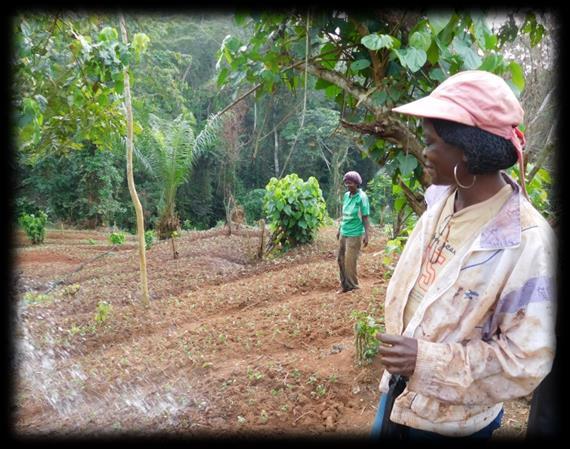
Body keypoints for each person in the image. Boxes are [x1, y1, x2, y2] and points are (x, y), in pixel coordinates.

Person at [369, 70, 557, 440]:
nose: (423, 151)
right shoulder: (442, 200)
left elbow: (525, 360)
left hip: (452, 426)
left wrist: (425, 362)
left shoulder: (528, 242)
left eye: (431, 141)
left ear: (468, 154)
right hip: (398, 394)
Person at [336, 171, 371, 294]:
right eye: (346, 183)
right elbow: (344, 214)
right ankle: (344, 286)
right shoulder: (346, 196)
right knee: (340, 259)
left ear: (357, 183)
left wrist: (367, 235)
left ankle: (354, 287)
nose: (348, 186)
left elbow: (365, 217)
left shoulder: (362, 198)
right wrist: (339, 228)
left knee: (350, 261)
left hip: (355, 233)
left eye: (350, 183)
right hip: (344, 231)